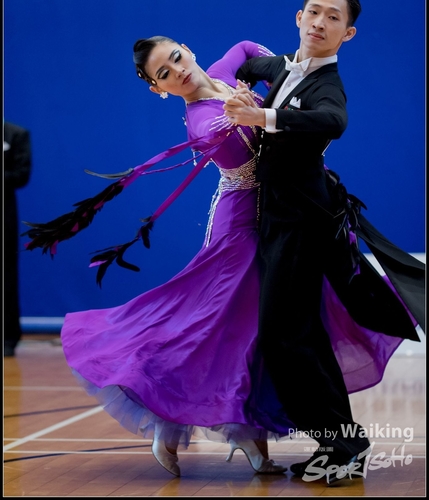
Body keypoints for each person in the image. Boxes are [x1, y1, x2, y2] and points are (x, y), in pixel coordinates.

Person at [22, 37, 422, 484]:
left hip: (282, 213)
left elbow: (247, 48)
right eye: (164, 74)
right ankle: (169, 416)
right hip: (243, 227)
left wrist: (281, 74)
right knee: (225, 327)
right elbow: (249, 145)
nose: (178, 71)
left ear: (187, 49)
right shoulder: (202, 120)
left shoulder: (221, 73)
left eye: (176, 58)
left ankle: (255, 435)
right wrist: (260, 110)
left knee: (261, 331)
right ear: (158, 89)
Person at [222, 0, 425, 485]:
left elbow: (332, 120)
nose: (320, 22)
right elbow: (243, 56)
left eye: (333, 17)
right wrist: (226, 86)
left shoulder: (328, 84)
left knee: (284, 337)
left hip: (303, 223)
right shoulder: (280, 67)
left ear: (347, 33)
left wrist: (261, 114)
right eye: (314, 12)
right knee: (299, 336)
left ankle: (343, 446)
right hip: (276, 221)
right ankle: (341, 445)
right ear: (299, 17)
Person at [4, 120, 32, 357]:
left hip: (4, 215)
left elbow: (21, 175)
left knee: (6, 275)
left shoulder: (16, 134)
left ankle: (7, 337)